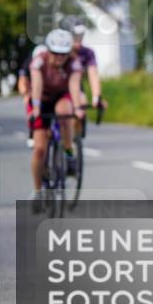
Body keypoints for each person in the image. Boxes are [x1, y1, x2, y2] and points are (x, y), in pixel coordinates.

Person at [28, 29, 84, 205]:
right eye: (56, 53)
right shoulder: (39, 61)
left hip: (61, 97)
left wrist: (77, 108)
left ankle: (68, 152)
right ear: (49, 51)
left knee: (64, 113)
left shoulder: (74, 63)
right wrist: (35, 107)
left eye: (63, 54)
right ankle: (38, 191)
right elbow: (36, 84)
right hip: (42, 99)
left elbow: (74, 85)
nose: (59, 58)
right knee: (39, 150)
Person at [70, 24, 108, 116]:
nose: (78, 41)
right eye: (75, 38)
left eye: (81, 37)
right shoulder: (61, 51)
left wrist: (96, 97)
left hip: (76, 85)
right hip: (58, 86)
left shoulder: (87, 53)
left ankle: (76, 129)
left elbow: (93, 75)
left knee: (82, 105)